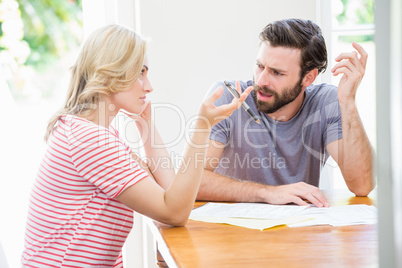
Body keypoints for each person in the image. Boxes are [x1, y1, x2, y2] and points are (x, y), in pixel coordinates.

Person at [21, 24, 252, 267]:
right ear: (111, 72)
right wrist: (203, 126)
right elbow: (175, 212)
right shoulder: (90, 140)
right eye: (140, 72)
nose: (149, 86)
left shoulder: (91, 131)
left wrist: (146, 124)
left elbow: (170, 190)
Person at [196, 18, 375, 208]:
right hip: (231, 231)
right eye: (259, 66)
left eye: (277, 73)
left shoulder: (326, 102)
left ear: (308, 78)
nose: (262, 80)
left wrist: (348, 103)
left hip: (297, 230)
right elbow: (192, 182)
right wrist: (267, 193)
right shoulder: (229, 97)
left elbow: (362, 186)